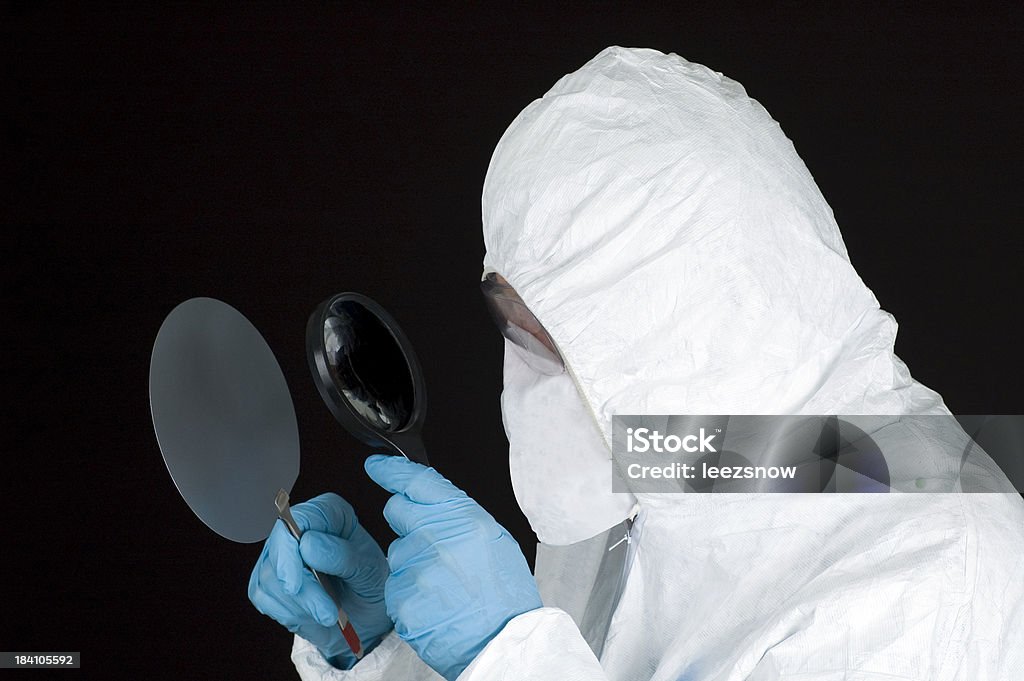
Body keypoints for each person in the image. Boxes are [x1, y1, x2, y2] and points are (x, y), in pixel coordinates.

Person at [248, 46, 1024, 680]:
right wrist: (385, 651)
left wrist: (506, 652)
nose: (523, 387)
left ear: (686, 325)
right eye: (511, 328)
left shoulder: (940, 581)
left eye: (553, 343)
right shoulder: (673, 467)